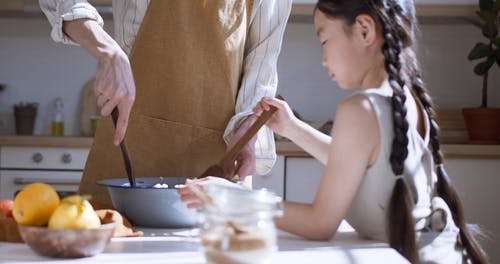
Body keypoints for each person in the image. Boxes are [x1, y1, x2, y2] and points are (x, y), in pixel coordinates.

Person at [178, 0, 488, 263]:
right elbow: (362, 166)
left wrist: (229, 197)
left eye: (325, 40)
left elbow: (320, 223)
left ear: (364, 30)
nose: (324, 58)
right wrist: (293, 128)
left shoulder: (360, 110)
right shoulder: (405, 100)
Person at [39, 0, 292, 206]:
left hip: (219, 163)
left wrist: (249, 126)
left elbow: (263, 59)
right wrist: (106, 48)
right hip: (127, 157)